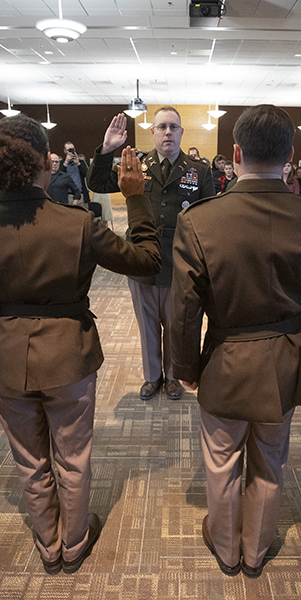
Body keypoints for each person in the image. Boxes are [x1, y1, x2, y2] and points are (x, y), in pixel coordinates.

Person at [0, 114, 161, 574]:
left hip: (4, 358)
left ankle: (48, 545)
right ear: (46, 162)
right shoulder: (77, 222)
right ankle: (75, 541)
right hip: (70, 355)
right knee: (73, 456)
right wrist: (138, 201)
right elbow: (147, 261)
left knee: (28, 460)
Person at [170, 105, 301, 577]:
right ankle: (256, 552)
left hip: (225, 358)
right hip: (285, 355)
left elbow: (183, 310)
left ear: (235, 153)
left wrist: (186, 369)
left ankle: (225, 548)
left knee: (221, 462)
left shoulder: (199, 220)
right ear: (290, 155)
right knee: (270, 459)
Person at [88, 107, 215, 401]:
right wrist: (107, 149)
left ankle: (172, 377)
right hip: (141, 261)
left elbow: (209, 217)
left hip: (180, 263)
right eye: (162, 127)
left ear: (182, 132)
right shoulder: (136, 164)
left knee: (175, 326)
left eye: (173, 127)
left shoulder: (199, 170)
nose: (167, 132)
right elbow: (96, 184)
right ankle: (152, 377)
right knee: (147, 327)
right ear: (153, 132)